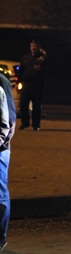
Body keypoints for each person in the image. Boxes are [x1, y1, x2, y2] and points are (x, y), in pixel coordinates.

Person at [0, 72, 16, 252]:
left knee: (0, 193)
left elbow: (7, 123)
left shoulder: (1, 83)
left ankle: (0, 237)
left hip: (1, 148)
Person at [18, 40, 48, 131]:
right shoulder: (25, 58)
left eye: (35, 46)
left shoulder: (43, 58)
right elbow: (21, 71)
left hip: (37, 85)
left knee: (36, 105)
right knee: (23, 104)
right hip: (26, 84)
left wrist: (41, 69)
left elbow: (49, 71)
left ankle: (36, 125)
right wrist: (18, 82)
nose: (33, 48)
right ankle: (25, 122)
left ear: (39, 47)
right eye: (32, 46)